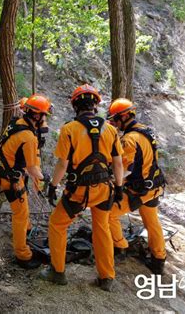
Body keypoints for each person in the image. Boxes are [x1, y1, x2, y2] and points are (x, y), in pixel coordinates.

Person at [40, 84, 124, 291]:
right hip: (105, 189)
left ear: (75, 105)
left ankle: (57, 272)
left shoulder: (69, 129)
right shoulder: (111, 129)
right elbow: (118, 163)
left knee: (57, 224)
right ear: (95, 105)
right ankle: (107, 278)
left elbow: (62, 165)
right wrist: (120, 187)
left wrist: (53, 186)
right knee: (102, 228)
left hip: (79, 191)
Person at [107, 98, 167, 274]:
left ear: (123, 117)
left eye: (115, 120)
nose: (115, 124)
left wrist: (114, 184)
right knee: (152, 222)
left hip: (139, 190)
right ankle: (158, 260)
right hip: (155, 185)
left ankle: (121, 247)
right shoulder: (145, 131)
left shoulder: (129, 139)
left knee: (110, 214)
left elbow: (125, 170)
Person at [0, 94, 53, 269]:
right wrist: (46, 178)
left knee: (23, 211)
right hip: (10, 179)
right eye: (44, 116)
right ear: (37, 116)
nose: (45, 120)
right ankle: (22, 255)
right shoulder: (28, 137)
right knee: (20, 215)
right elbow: (33, 169)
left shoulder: (16, 123)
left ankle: (26, 231)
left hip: (7, 172)